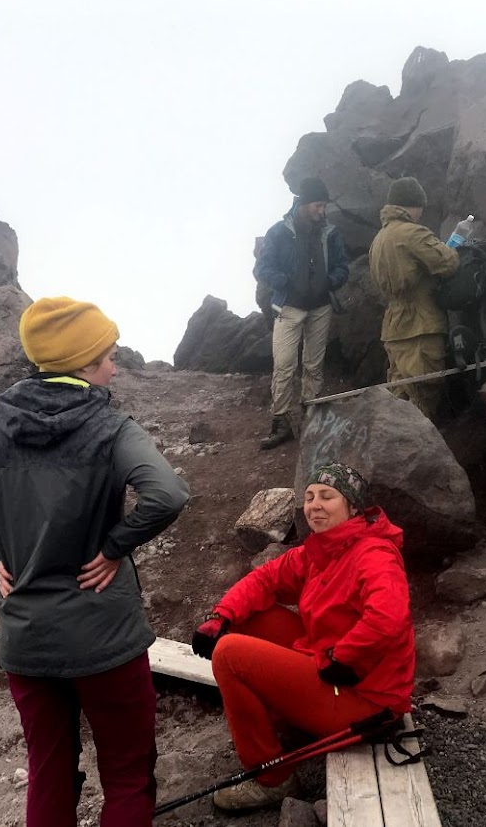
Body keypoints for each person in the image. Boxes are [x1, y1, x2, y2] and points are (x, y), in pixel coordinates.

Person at [0, 296, 189, 827]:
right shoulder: (110, 428)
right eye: (108, 355)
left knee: (49, 771)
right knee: (126, 775)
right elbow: (167, 495)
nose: (114, 365)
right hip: (104, 636)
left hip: (27, 638)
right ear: (83, 362)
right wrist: (115, 547)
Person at [191, 463, 414, 811]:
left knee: (229, 654)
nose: (315, 505)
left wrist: (344, 656)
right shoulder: (321, 551)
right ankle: (290, 723)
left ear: (353, 507)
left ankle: (272, 779)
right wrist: (221, 616)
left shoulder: (374, 554)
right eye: (309, 497)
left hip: (367, 697)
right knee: (245, 619)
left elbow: (389, 616)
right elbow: (266, 579)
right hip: (332, 668)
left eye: (327, 496)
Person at [253, 177, 350, 449]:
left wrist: (331, 281)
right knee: (284, 365)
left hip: (321, 306)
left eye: (324, 206)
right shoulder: (278, 233)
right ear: (305, 203)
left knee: (313, 365)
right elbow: (262, 268)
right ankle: (281, 421)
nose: (322, 211)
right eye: (319, 205)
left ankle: (312, 415)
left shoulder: (330, 233)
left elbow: (343, 266)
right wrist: (285, 282)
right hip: (288, 307)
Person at [368, 176, 460, 419]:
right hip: (420, 326)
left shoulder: (379, 239)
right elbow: (447, 263)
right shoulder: (412, 233)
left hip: (394, 328)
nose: (421, 212)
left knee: (398, 397)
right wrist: (452, 248)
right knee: (423, 398)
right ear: (413, 204)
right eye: (421, 206)